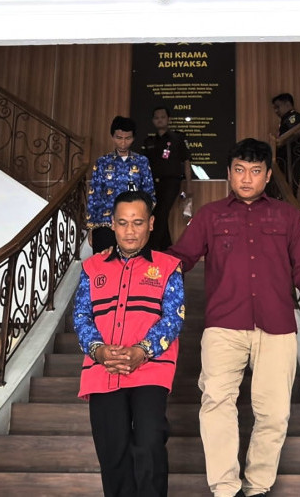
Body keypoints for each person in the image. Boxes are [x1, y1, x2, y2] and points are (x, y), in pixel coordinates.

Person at [167, 138, 300, 497]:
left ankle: (257, 487)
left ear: (268, 175)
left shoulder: (287, 216)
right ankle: (225, 489)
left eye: (255, 171)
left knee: (274, 413)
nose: (246, 178)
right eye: (239, 170)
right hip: (224, 326)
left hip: (277, 326)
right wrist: (142, 265)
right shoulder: (210, 215)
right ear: (228, 173)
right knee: (216, 404)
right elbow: (182, 258)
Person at [74, 190, 185, 497]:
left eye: (138, 222)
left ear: (151, 223)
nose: (130, 230)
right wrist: (98, 351)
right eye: (122, 223)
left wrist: (142, 351)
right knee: (113, 453)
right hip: (102, 372)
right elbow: (81, 315)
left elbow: (173, 318)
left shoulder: (168, 267)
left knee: (150, 444)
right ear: (112, 224)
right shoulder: (92, 267)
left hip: (150, 371)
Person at [87, 116, 156, 253]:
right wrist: (91, 227)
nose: (123, 143)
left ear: (133, 138)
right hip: (105, 224)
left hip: (133, 225)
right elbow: (94, 196)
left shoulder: (141, 161)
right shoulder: (102, 162)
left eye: (127, 138)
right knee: (104, 262)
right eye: (119, 138)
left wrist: (143, 220)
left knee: (132, 263)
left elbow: (150, 195)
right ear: (112, 137)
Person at [142, 106, 192, 251]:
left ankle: (153, 249)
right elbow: (143, 165)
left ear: (168, 119)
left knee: (160, 213)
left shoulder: (178, 138)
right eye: (156, 118)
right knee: (156, 214)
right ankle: (167, 249)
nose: (160, 120)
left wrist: (189, 185)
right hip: (152, 184)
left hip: (171, 182)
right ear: (153, 120)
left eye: (162, 117)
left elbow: (187, 161)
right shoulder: (149, 141)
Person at [272, 93, 300, 197]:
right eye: (274, 108)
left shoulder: (294, 116)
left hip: (293, 160)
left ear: (287, 104)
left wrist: (279, 142)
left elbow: (295, 133)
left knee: (289, 193)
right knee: (284, 191)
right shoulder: (285, 120)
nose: (276, 111)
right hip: (286, 161)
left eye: (278, 107)